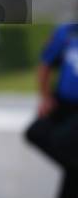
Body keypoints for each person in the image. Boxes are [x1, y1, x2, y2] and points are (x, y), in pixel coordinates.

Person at [25, 23, 78, 198]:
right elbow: (46, 64)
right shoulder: (67, 33)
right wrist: (46, 97)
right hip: (63, 104)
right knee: (36, 131)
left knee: (65, 142)